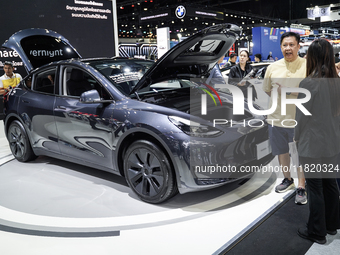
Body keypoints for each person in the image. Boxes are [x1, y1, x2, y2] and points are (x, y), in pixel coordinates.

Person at [295, 38, 340, 244]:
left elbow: (300, 118)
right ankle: (332, 225)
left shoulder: (308, 83)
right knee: (330, 184)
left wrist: (296, 140)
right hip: (332, 142)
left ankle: (316, 231)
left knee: (315, 188)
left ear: (313, 57)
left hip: (312, 144)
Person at [262, 32, 307, 204]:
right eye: (285, 45)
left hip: (299, 119)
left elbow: (313, 92)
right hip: (276, 118)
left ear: (298, 46)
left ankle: (301, 186)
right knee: (281, 151)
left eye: (291, 45)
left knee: (299, 155)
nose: (288, 48)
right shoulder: (272, 68)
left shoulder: (307, 65)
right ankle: (288, 179)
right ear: (280, 47)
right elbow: (267, 89)